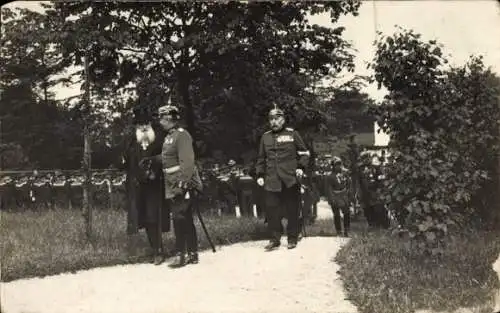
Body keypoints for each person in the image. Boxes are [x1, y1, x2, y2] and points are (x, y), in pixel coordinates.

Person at [255, 104, 310, 250]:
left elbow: (304, 154)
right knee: (272, 210)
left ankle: (292, 238)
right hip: (272, 180)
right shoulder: (265, 137)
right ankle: (274, 239)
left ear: (283, 120)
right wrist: (260, 174)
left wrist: (300, 168)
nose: (273, 121)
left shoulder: (292, 134)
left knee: (292, 209)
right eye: (271, 119)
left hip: (290, 179)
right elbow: (261, 158)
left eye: (277, 118)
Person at [155, 103, 203, 268]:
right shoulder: (169, 136)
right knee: (185, 217)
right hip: (171, 182)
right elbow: (169, 158)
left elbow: (187, 161)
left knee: (179, 217)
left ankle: (180, 255)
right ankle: (192, 253)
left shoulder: (182, 135)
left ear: (170, 118)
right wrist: (155, 160)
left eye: (162, 117)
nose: (160, 121)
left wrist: (184, 181)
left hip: (181, 183)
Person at [122, 105, 170, 265]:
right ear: (136, 126)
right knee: (141, 218)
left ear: (150, 124)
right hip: (137, 186)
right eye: (139, 124)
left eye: (146, 124)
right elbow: (124, 163)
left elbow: (167, 157)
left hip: (155, 185)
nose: (143, 127)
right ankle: (152, 249)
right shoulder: (130, 142)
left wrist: (155, 170)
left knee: (154, 216)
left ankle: (158, 251)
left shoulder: (160, 139)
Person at [325, 156, 352, 237]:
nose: (338, 166)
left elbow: (349, 183)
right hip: (335, 195)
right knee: (336, 214)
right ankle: (339, 231)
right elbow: (328, 188)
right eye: (336, 165)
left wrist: (349, 193)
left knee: (347, 212)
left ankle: (347, 229)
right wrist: (331, 198)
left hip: (344, 195)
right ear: (333, 166)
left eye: (340, 164)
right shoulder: (330, 176)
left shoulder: (345, 173)